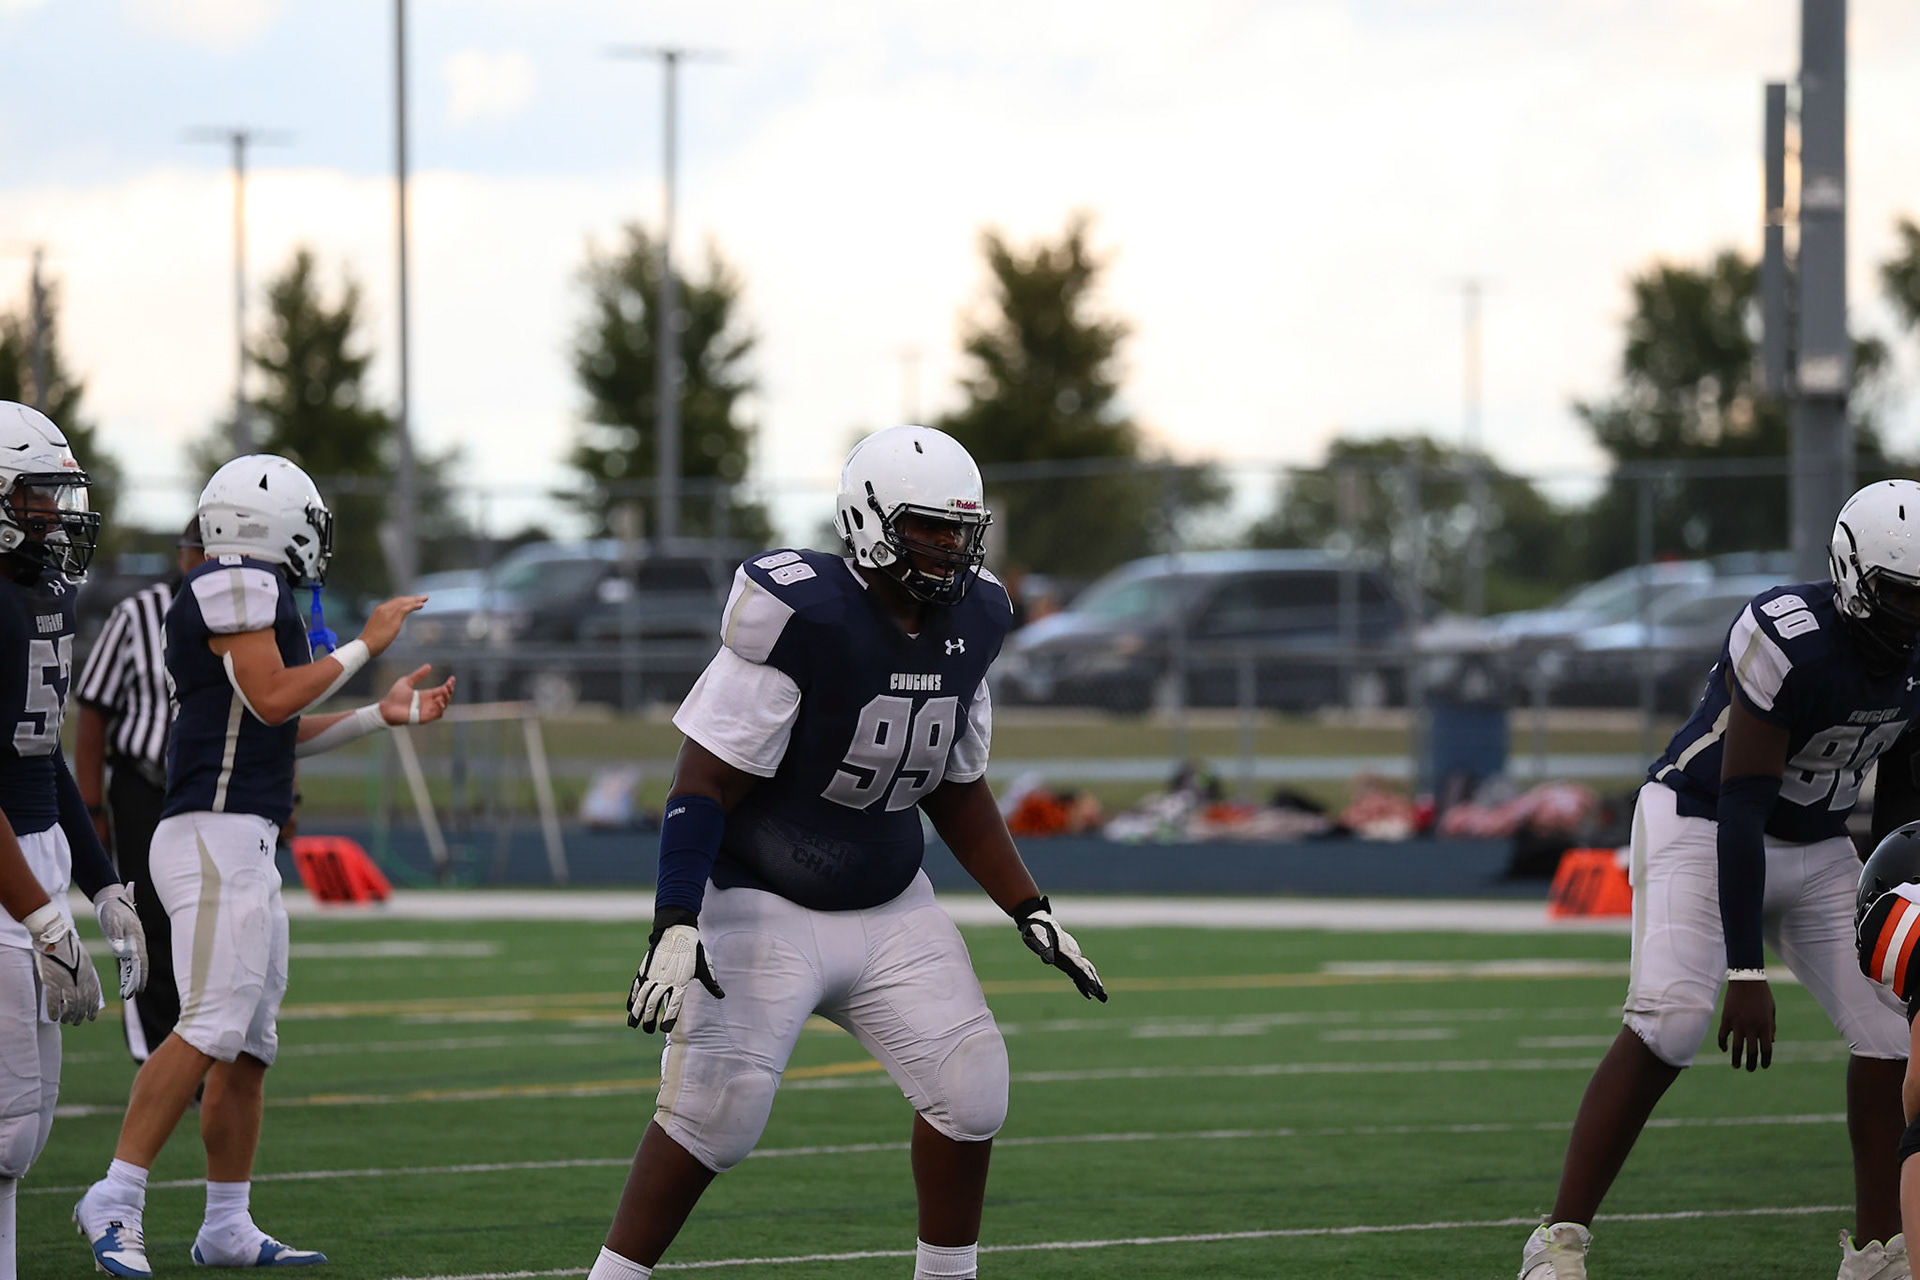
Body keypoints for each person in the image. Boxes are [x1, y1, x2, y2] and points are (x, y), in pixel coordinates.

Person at [586, 425, 1106, 1280]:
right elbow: (702, 782)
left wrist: (1029, 908)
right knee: (718, 1113)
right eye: (928, 527)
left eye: (960, 531)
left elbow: (957, 786)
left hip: (891, 901)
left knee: (972, 1085)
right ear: (869, 521)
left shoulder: (974, 620)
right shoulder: (804, 616)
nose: (949, 549)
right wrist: (675, 919)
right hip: (762, 899)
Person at [1519, 479, 1920, 1280]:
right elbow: (1741, 804)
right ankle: (1558, 1242)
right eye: (1901, 596)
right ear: (1850, 577)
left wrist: (1902, 898)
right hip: (1702, 821)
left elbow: (1905, 800)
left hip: (1816, 839)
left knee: (1891, 1029)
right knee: (1670, 1021)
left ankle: (1878, 1253)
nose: (1913, 617)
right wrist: (1746, 971)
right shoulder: (1787, 634)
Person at [73, 454, 455, 1278]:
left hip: (238, 837)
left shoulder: (250, 590)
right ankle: (115, 1194)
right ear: (269, 522)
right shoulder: (235, 580)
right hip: (212, 837)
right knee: (208, 1025)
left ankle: (227, 1224)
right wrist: (367, 643)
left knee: (248, 1047)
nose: (317, 540)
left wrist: (380, 717)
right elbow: (276, 698)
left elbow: (274, 727)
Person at [0, 401, 147, 1280]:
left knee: (20, 1128)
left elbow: (38, 748)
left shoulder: (36, 593)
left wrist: (103, 885)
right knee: (6, 1126)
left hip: (33, 864)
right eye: (35, 496)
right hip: (8, 877)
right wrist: (46, 922)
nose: (55, 515)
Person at [74, 517, 206, 1063]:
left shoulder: (247, 617)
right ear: (182, 554)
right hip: (144, 787)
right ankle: (152, 1052)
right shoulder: (138, 614)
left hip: (212, 794)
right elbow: (94, 711)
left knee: (203, 923)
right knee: (146, 917)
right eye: (200, 550)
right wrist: (92, 806)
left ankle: (198, 1050)